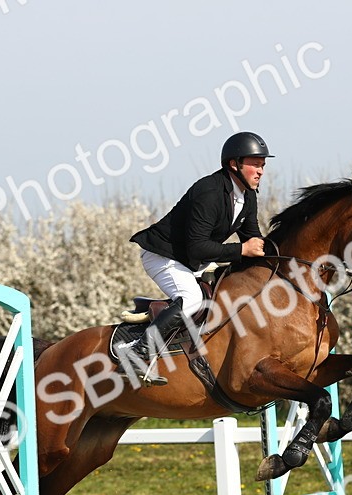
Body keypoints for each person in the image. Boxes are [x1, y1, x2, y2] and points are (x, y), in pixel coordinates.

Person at [116, 131, 274, 381]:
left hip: (193, 261)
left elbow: (254, 241)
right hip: (163, 255)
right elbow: (199, 248)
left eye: (263, 165)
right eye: (255, 164)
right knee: (190, 298)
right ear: (234, 164)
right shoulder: (209, 191)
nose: (261, 171)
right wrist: (241, 250)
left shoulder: (248, 197)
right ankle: (136, 353)